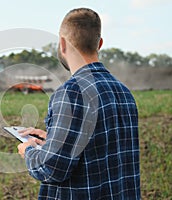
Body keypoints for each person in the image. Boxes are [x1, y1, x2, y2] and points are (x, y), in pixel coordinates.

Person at [17, 8, 141, 199]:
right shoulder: (124, 92)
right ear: (99, 44)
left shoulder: (71, 93)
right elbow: (99, 149)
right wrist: (54, 139)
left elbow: (51, 168)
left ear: (62, 44)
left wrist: (29, 150)